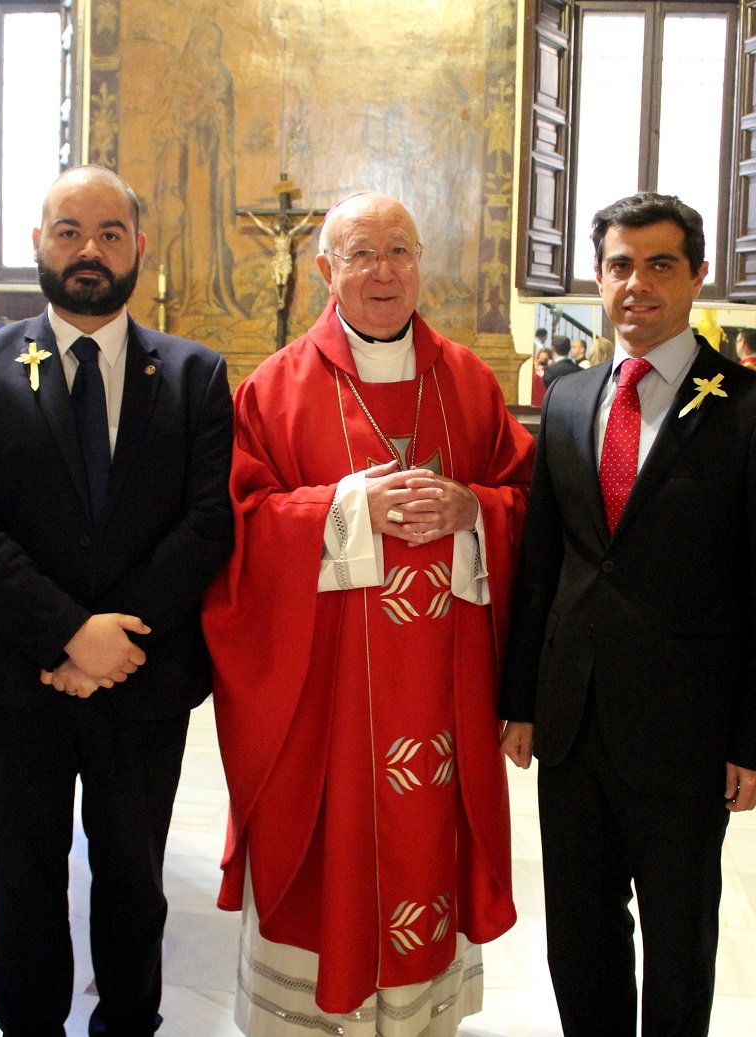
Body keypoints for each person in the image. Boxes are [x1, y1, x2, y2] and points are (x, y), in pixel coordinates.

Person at [203, 191, 535, 1036]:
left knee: (426, 848)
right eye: (359, 253)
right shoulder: (274, 389)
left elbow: (527, 497)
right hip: (330, 709)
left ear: (422, 263)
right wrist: (343, 511)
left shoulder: (465, 377)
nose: (382, 270)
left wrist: (473, 511)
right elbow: (235, 529)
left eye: (398, 250)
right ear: (324, 270)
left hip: (442, 696)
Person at [0, 165, 234, 1036]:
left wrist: (114, 640)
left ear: (139, 246)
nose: (88, 250)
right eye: (68, 230)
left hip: (144, 679)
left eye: (108, 232)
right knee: (20, 883)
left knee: (134, 885)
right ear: (38, 245)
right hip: (10, 678)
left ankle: (127, 1026)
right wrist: (65, 633)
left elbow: (208, 521)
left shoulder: (194, 373)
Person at [501, 192, 756, 1036]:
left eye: (659, 264)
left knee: (678, 937)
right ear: (598, 279)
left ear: (697, 275)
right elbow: (545, 563)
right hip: (572, 716)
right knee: (579, 931)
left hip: (689, 727)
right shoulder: (566, 398)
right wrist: (520, 697)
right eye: (618, 265)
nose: (636, 283)